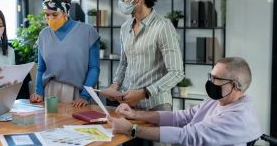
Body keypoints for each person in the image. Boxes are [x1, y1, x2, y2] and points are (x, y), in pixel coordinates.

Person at [108, 57, 262, 145]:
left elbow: (187, 136)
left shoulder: (238, 118)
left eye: (215, 78)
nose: (210, 82)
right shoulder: (217, 100)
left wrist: (131, 130)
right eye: (210, 76)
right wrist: (135, 114)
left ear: (234, 85)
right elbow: (181, 117)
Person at [100, 0, 184, 111]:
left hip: (156, 105)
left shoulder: (163, 27)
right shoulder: (125, 27)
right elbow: (124, 63)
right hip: (128, 105)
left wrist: (144, 93)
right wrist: (114, 86)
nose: (120, 1)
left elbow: (176, 72)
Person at [29, 0, 100, 107]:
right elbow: (41, 68)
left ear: (65, 11)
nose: (50, 19)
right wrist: (39, 92)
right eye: (47, 15)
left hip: (76, 95)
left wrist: (85, 96)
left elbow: (94, 68)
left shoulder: (87, 32)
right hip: (49, 93)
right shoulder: (44, 35)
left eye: (55, 15)